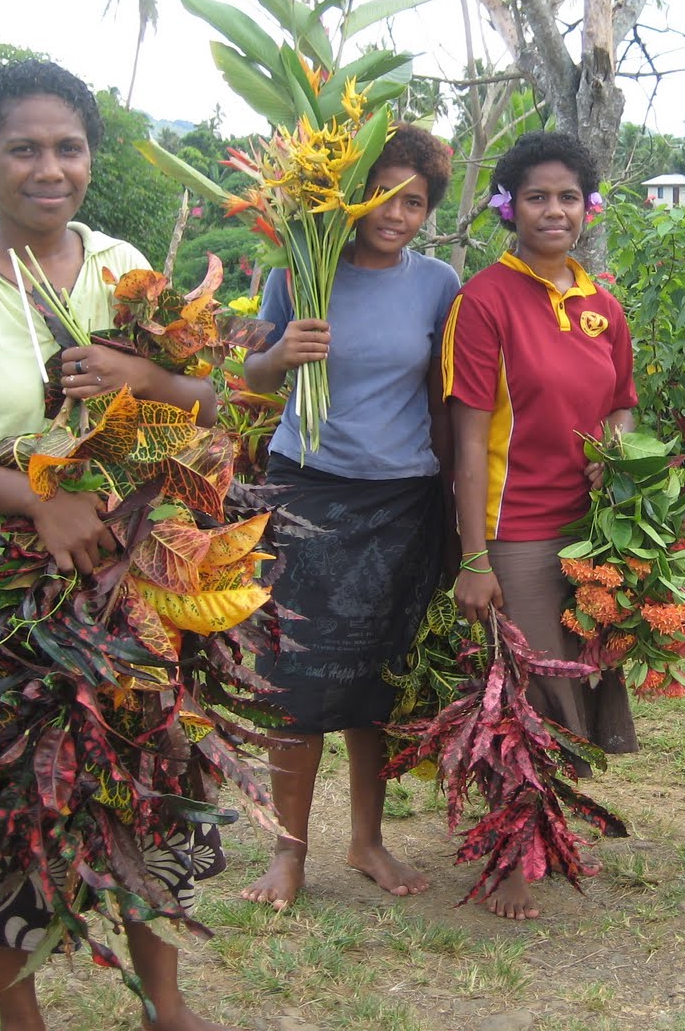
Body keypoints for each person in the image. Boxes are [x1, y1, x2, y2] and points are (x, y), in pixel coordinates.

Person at [0, 59, 230, 1031]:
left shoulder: (128, 265)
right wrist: (39, 502)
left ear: (91, 157)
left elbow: (209, 405)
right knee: (0, 812)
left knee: (153, 787)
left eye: (68, 147)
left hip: (131, 582)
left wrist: (147, 376)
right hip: (0, 595)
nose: (50, 167)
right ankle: (22, 1021)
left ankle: (166, 1006)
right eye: (24, 148)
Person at [238, 124, 459, 912]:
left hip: (403, 499)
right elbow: (253, 382)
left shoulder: (438, 283)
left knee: (380, 678)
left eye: (415, 202)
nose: (397, 214)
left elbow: (443, 398)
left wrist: (458, 505)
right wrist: (279, 356)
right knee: (294, 678)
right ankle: (288, 852)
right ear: (351, 196)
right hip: (306, 489)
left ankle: (367, 841)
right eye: (384, 195)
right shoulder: (299, 271)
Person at [443, 130, 639, 920]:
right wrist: (471, 559)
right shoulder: (485, 300)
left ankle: (542, 828)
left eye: (567, 196)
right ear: (509, 207)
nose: (553, 210)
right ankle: (510, 855)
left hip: (590, 531)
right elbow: (464, 438)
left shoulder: (602, 303)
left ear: (587, 207)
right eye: (536, 197)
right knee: (519, 695)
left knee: (578, 679)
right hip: (513, 527)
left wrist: (619, 461)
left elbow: (621, 403)